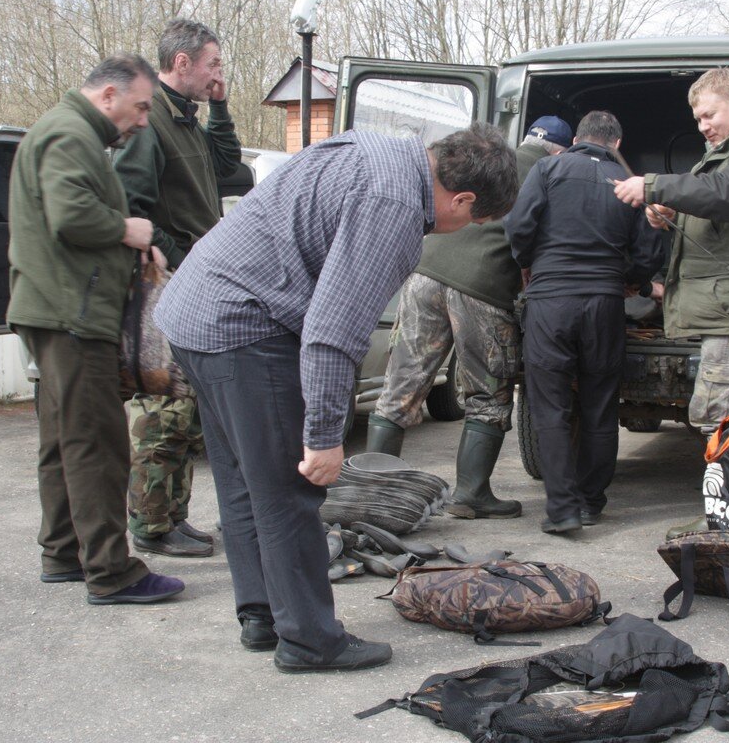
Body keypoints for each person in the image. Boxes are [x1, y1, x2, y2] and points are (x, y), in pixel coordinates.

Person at [153, 123, 518, 671]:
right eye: (472, 219)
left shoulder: (381, 146)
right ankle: (309, 641)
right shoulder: (393, 207)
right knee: (289, 491)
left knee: (242, 479)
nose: (461, 228)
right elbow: (333, 330)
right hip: (243, 324)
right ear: (461, 198)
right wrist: (323, 438)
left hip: (193, 311)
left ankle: (264, 617)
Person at [7, 54, 184, 605]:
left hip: (53, 308)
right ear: (108, 95)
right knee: (98, 444)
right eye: (139, 107)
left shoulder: (64, 130)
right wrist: (128, 229)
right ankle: (111, 571)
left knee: (62, 440)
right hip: (72, 314)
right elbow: (71, 215)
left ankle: (62, 552)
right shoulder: (71, 135)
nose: (141, 120)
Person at [366, 115, 573, 520]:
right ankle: (471, 494)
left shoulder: (491, 162)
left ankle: (372, 491)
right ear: (560, 150)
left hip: (424, 273)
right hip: (482, 286)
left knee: (402, 386)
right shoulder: (552, 171)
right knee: (488, 392)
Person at [614, 68, 729, 435]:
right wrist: (670, 213)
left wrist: (654, 187)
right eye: (698, 119)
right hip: (727, 308)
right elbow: (715, 204)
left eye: (709, 115)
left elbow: (727, 195)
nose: (702, 126)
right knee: (724, 422)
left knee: (721, 423)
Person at [114, 19, 241, 558]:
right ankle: (150, 525)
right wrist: (184, 254)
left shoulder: (186, 119)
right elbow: (128, 203)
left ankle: (173, 516)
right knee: (164, 406)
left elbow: (229, 167)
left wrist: (220, 107)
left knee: (188, 406)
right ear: (182, 63)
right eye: (212, 64)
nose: (218, 73)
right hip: (166, 281)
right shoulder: (151, 124)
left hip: (194, 277)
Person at [504, 111, 665, 534]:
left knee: (551, 406)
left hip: (550, 301)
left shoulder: (548, 167)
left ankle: (562, 511)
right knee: (599, 405)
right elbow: (649, 253)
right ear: (617, 143)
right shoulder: (630, 184)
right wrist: (630, 281)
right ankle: (593, 502)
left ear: (577, 138)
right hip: (605, 305)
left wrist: (530, 264)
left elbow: (519, 227)